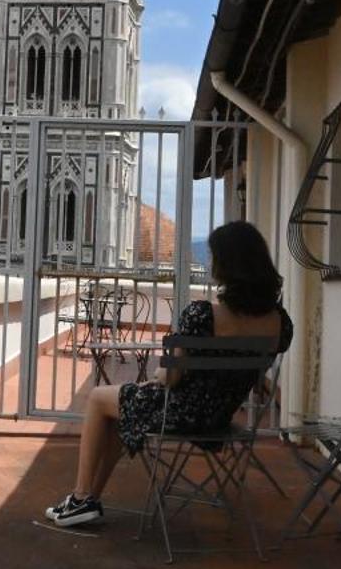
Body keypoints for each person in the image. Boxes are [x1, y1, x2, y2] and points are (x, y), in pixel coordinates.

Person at [46, 219, 293, 527]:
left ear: (227, 265)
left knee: (99, 399)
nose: (211, 263)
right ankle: (87, 501)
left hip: (179, 414)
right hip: (220, 417)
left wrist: (157, 379)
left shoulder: (203, 315)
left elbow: (173, 377)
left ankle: (82, 497)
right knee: (124, 407)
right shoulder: (280, 323)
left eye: (215, 257)